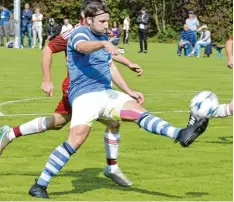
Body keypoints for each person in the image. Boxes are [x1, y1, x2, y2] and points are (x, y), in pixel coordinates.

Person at [28, 2, 208, 198]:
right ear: (88, 20)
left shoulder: (102, 36)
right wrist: (104, 44)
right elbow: (82, 47)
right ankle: (40, 184)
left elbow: (110, 66)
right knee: (76, 140)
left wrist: (128, 89)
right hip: (84, 95)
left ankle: (180, 134)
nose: (107, 25)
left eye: (107, 20)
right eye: (102, 21)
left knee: (137, 111)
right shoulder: (79, 33)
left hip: (106, 93)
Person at [0, 0, 143, 190]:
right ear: (87, 16)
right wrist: (46, 79)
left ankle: (10, 133)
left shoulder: (99, 29)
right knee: (106, 123)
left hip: (91, 87)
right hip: (78, 88)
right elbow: (48, 48)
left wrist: (128, 62)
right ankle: (111, 167)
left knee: (59, 122)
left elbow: (107, 55)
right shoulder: (73, 32)